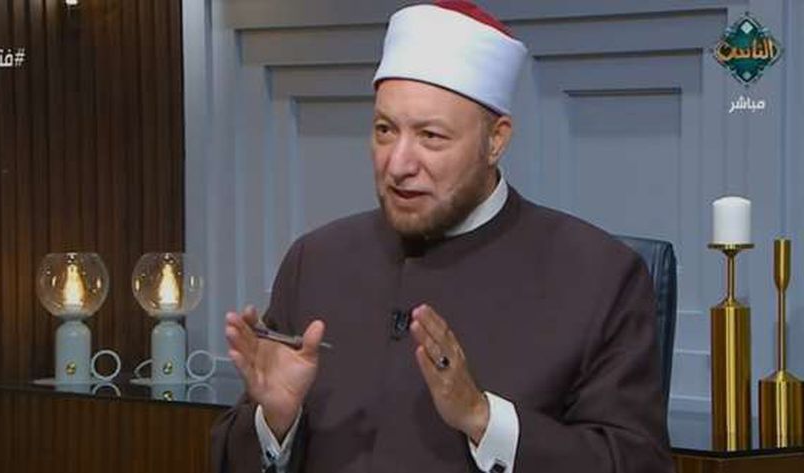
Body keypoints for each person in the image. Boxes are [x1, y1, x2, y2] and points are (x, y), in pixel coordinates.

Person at [212, 2, 674, 472]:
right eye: (385, 130)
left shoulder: (598, 276)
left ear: (495, 141)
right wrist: (276, 423)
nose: (398, 164)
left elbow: (638, 464)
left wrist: (483, 420)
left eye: (430, 136)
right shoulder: (316, 260)